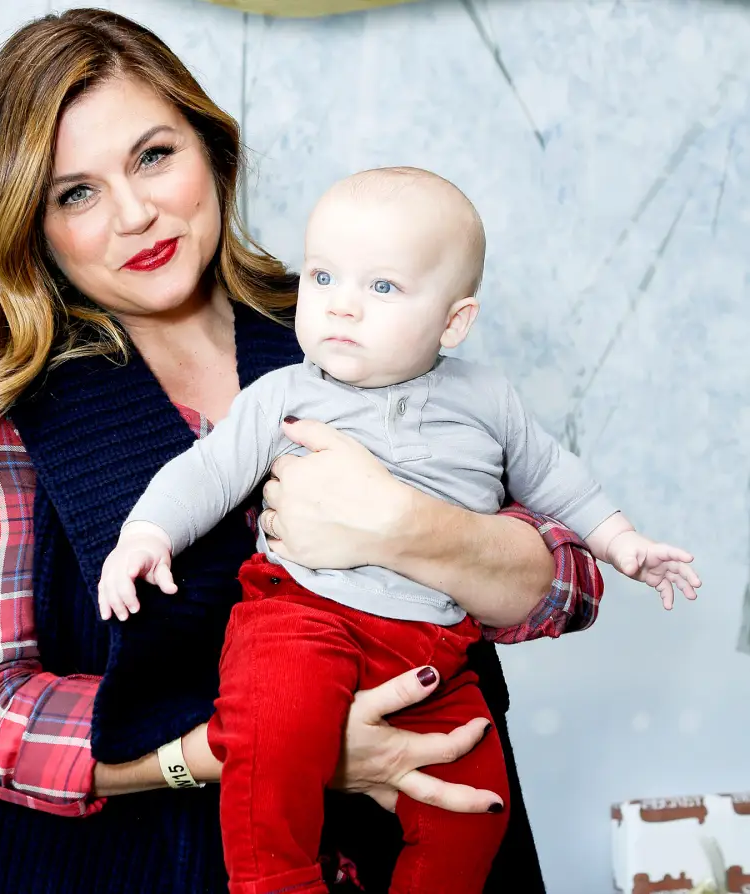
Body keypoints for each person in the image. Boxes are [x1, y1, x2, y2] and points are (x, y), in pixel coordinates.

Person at [0, 9, 605, 893]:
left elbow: (573, 583)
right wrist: (249, 744)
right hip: (136, 868)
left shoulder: (349, 322)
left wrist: (413, 530)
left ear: (210, 150)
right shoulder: (0, 412)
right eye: (74, 193)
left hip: (436, 849)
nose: (135, 213)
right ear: (30, 224)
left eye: (154, 155)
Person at [98, 167, 701, 894]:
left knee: (479, 803)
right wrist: (147, 531)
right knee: (274, 728)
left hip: (433, 652)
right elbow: (207, 472)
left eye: (381, 288)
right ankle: (275, 883)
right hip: (301, 616)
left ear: (454, 321)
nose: (342, 307)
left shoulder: (488, 399)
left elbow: (557, 480)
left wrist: (622, 540)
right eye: (323, 277)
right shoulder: (284, 393)